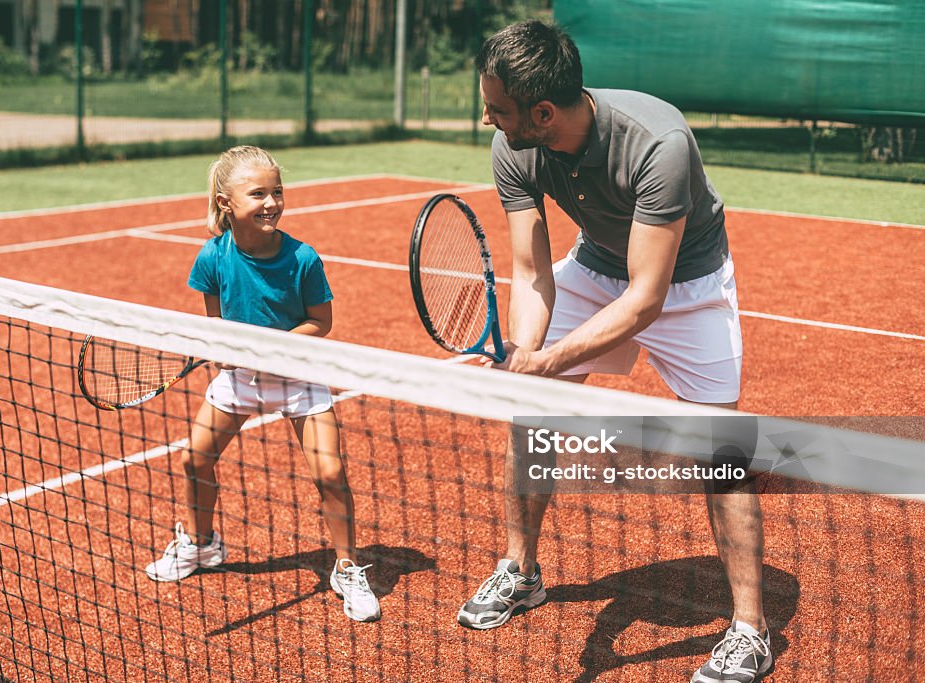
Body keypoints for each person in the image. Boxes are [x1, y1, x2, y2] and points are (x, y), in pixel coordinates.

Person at [456, 20, 771, 683]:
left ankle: (750, 628)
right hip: (595, 266)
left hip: (686, 283)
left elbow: (647, 297)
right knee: (532, 414)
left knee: (721, 451)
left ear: (542, 112)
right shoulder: (512, 146)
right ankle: (522, 570)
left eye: (499, 108)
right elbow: (533, 270)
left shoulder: (660, 144)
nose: (488, 117)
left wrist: (547, 358)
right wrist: (528, 354)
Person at [145, 145, 380, 623]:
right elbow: (218, 325)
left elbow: (322, 322)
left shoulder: (302, 258)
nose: (271, 202)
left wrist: (275, 346)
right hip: (241, 380)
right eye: (258, 194)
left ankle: (347, 567)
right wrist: (225, 349)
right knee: (195, 459)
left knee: (330, 474)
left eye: (277, 191)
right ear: (227, 202)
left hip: (297, 377)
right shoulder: (212, 257)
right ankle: (200, 543)